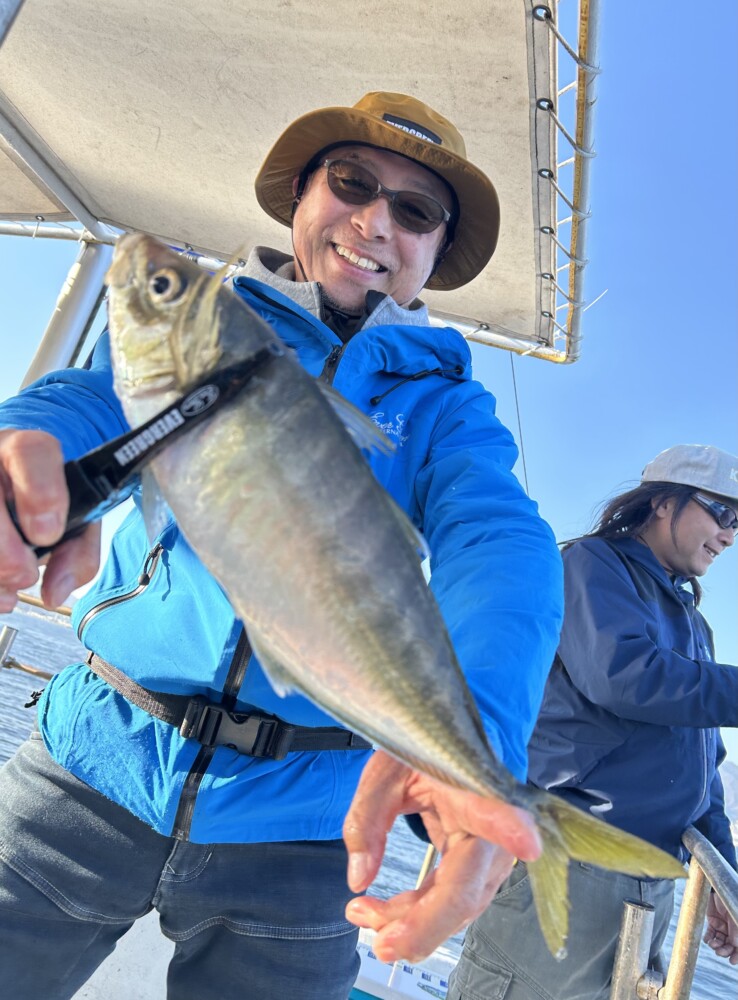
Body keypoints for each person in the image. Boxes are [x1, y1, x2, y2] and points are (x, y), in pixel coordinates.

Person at [0, 92, 563, 999]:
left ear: (431, 253)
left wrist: (483, 739)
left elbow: (498, 540)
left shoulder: (447, 408)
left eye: (416, 213)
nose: (377, 220)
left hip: (305, 835)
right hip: (89, 762)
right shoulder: (198, 324)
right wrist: (22, 447)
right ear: (300, 196)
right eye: (352, 183)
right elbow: (83, 404)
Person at [448, 444, 738, 1000]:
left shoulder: (696, 626)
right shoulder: (592, 564)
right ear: (661, 502)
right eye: (721, 512)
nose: (730, 534)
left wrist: (723, 881)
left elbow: (706, 770)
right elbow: (623, 675)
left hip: (651, 889)